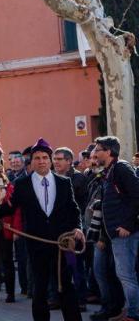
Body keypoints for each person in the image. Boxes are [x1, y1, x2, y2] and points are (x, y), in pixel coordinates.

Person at [0, 138, 84, 321]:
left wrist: (77, 227)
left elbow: (73, 209)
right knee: (40, 288)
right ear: (32, 161)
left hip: (61, 244)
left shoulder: (64, 183)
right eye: (37, 158)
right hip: (36, 244)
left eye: (45, 157)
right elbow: (9, 208)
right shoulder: (22, 185)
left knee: (66, 286)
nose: (41, 161)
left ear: (50, 160)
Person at [90, 136, 139, 321]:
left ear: (109, 151)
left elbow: (137, 195)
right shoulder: (109, 171)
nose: (95, 153)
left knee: (126, 275)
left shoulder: (121, 168)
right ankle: (128, 311)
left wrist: (127, 224)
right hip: (113, 234)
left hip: (125, 233)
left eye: (98, 149)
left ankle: (134, 314)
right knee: (121, 275)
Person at [53, 147, 91, 311]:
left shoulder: (77, 179)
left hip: (72, 231)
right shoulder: (53, 178)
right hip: (56, 231)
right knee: (57, 266)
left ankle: (81, 299)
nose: (56, 162)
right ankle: (57, 298)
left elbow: (75, 206)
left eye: (60, 159)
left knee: (74, 265)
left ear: (69, 161)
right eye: (54, 159)